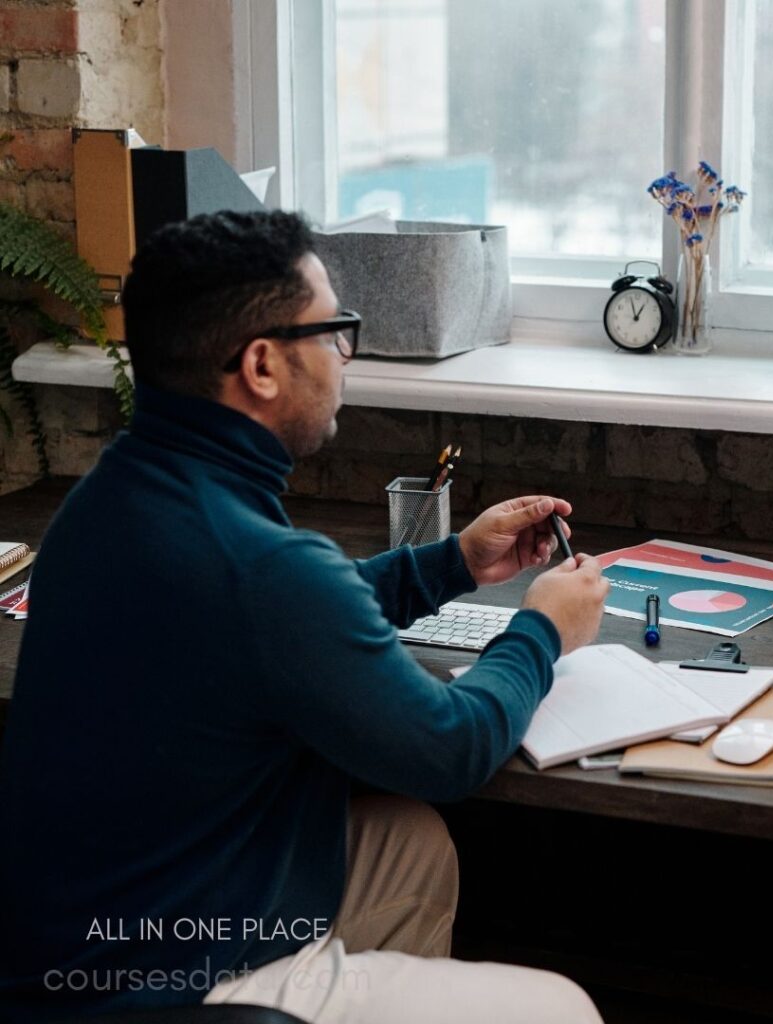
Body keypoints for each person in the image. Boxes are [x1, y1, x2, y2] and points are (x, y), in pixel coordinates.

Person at [0, 211, 610, 1024]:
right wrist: (543, 630)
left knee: (408, 844)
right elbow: (450, 746)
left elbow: (272, 623)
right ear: (261, 365)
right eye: (335, 332)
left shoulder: (112, 497)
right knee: (559, 1008)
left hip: (80, 932)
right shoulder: (259, 566)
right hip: (167, 980)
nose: (346, 357)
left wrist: (450, 563)